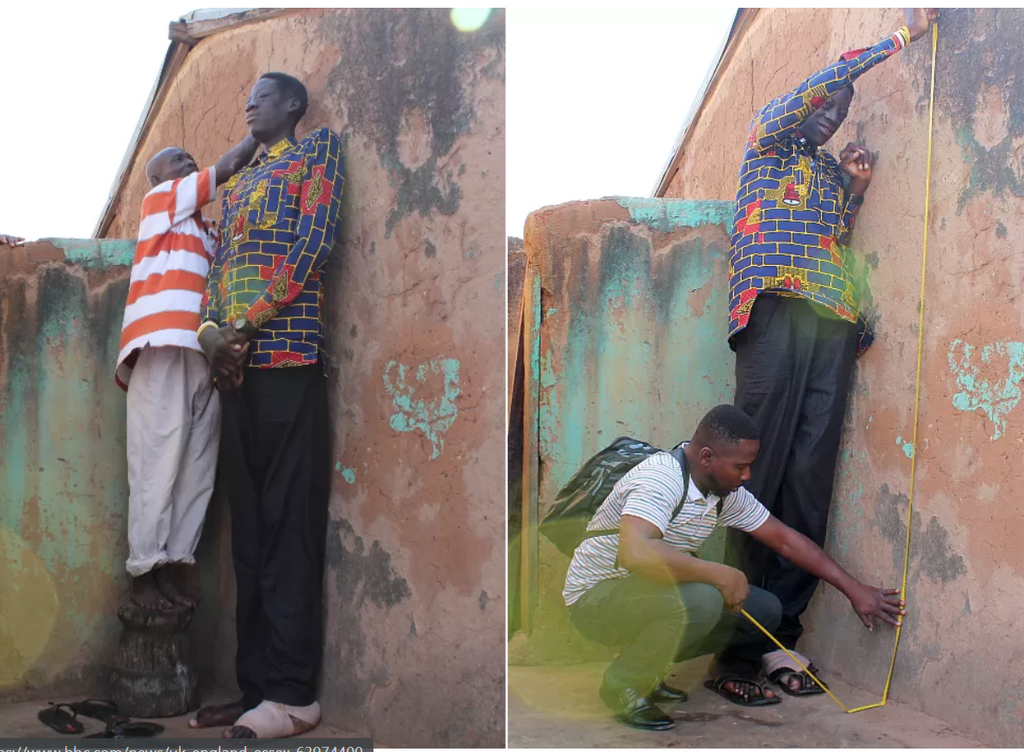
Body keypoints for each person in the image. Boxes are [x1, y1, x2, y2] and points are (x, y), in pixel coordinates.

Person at [724, 8, 938, 695]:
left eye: (839, 110)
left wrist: (854, 193)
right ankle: (731, 646)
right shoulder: (766, 140)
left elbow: (828, 246)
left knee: (809, 480)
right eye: (824, 102)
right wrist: (902, 38)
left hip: (830, 323)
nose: (831, 116)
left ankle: (779, 641)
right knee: (755, 474)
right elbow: (829, 76)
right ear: (805, 101)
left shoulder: (822, 172)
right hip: (775, 311)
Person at [564, 405, 905, 730]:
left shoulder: (722, 492)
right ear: (707, 457)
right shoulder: (662, 478)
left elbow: (785, 540)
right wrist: (722, 573)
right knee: (702, 601)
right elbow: (635, 553)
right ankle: (622, 686)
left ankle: (646, 669)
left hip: (645, 593)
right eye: (740, 466)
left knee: (764, 610)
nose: (747, 475)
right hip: (596, 599)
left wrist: (853, 589)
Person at [189, 72, 344, 739]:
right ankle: (255, 686)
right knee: (249, 535)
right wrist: (212, 338)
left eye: (262, 94)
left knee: (287, 529)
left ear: (294, 106)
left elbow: (314, 245)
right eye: (245, 94)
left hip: (287, 361)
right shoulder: (245, 179)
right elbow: (218, 268)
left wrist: (245, 328)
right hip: (235, 372)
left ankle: (291, 694)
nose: (247, 102)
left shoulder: (317, 156)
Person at [115, 135, 258, 611]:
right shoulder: (160, 203)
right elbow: (229, 164)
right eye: (177, 161)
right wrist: (260, 130)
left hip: (203, 357)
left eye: (187, 157)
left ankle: (172, 565)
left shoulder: (205, 234)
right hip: (163, 348)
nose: (187, 161)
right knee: (157, 463)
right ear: (158, 179)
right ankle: (143, 574)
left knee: (196, 468)